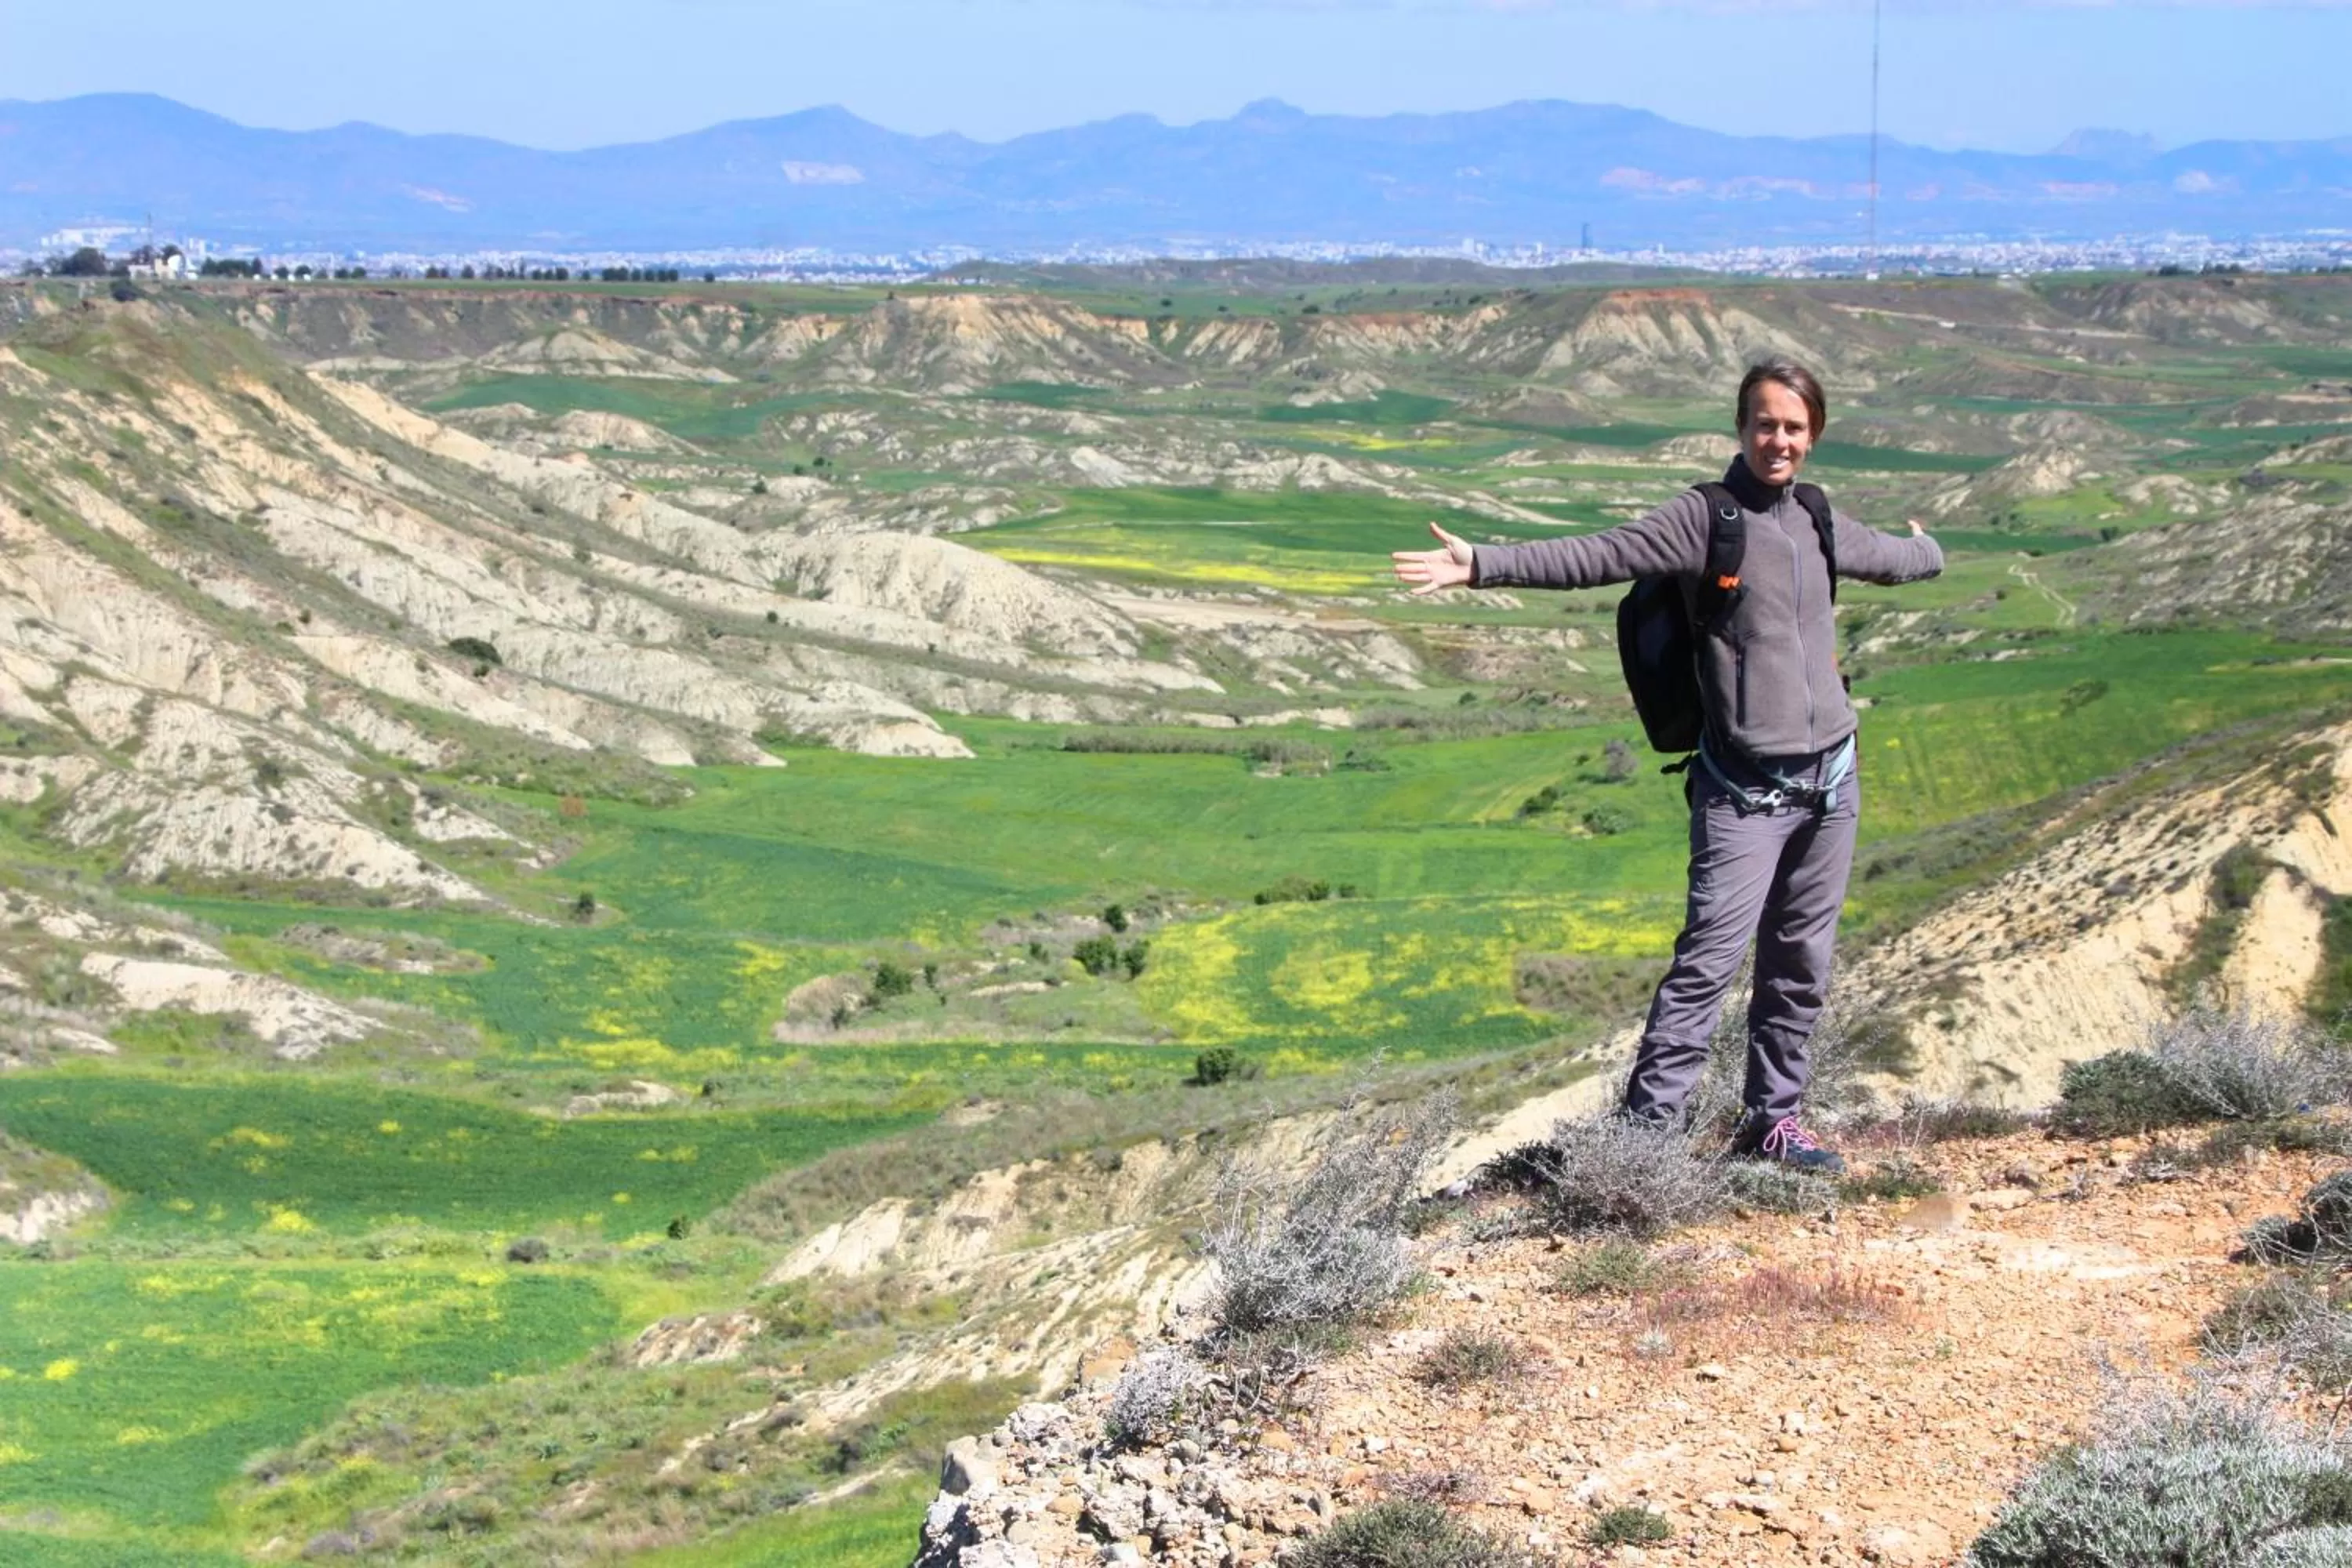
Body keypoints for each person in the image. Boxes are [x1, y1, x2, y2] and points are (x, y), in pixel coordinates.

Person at [1392, 358, 1942, 1172]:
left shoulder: (1817, 519)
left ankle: (1774, 1121)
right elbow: (1600, 553)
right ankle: (1645, 1144)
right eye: (1764, 423)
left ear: (1813, 434)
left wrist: (1931, 548)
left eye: (1793, 426)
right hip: (1743, 793)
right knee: (1707, 966)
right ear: (1741, 428)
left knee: (1800, 963)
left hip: (1833, 782)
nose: (1778, 440)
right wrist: (1483, 563)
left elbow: (1893, 558)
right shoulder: (1705, 518)